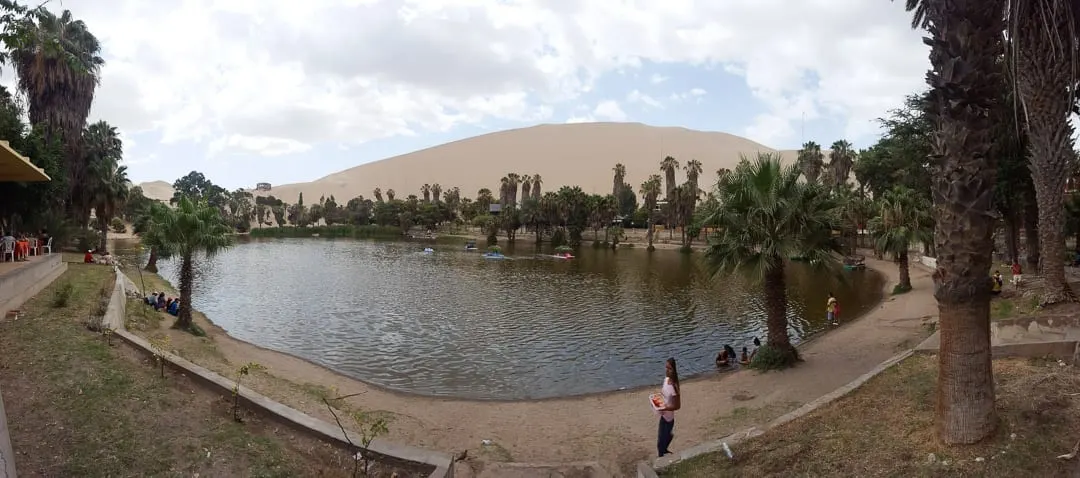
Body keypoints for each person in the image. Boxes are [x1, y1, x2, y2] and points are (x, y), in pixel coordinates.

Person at [656, 358, 680, 457]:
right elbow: (663, 394)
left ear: (673, 370)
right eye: (666, 367)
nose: (667, 370)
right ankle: (665, 450)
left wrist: (665, 408)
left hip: (669, 419)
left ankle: (661, 459)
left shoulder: (674, 386)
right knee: (661, 441)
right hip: (663, 415)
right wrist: (657, 399)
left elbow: (677, 406)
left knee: (660, 444)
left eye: (669, 368)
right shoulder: (665, 380)